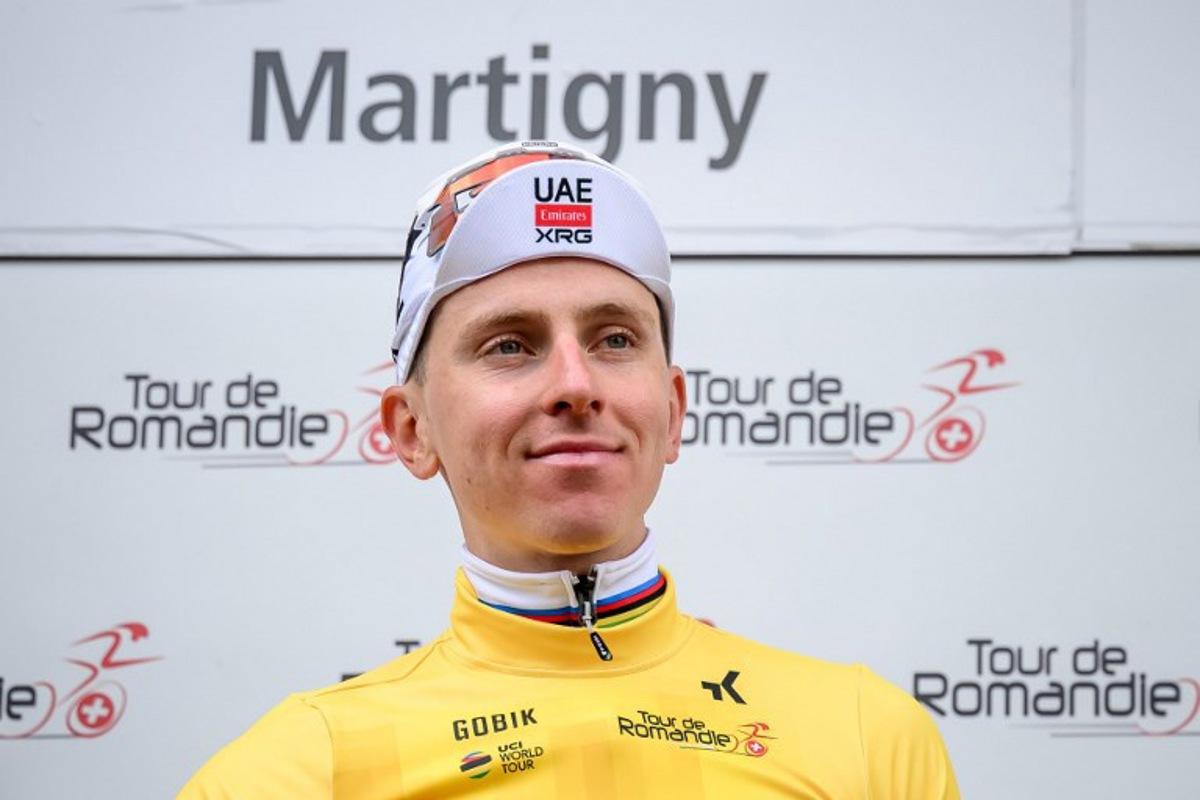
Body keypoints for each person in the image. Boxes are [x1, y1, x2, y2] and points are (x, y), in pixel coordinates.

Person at [179, 141, 960, 798]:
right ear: (411, 430)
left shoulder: (868, 740)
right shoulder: (299, 772)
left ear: (674, 409)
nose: (575, 385)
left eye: (615, 339)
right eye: (509, 344)